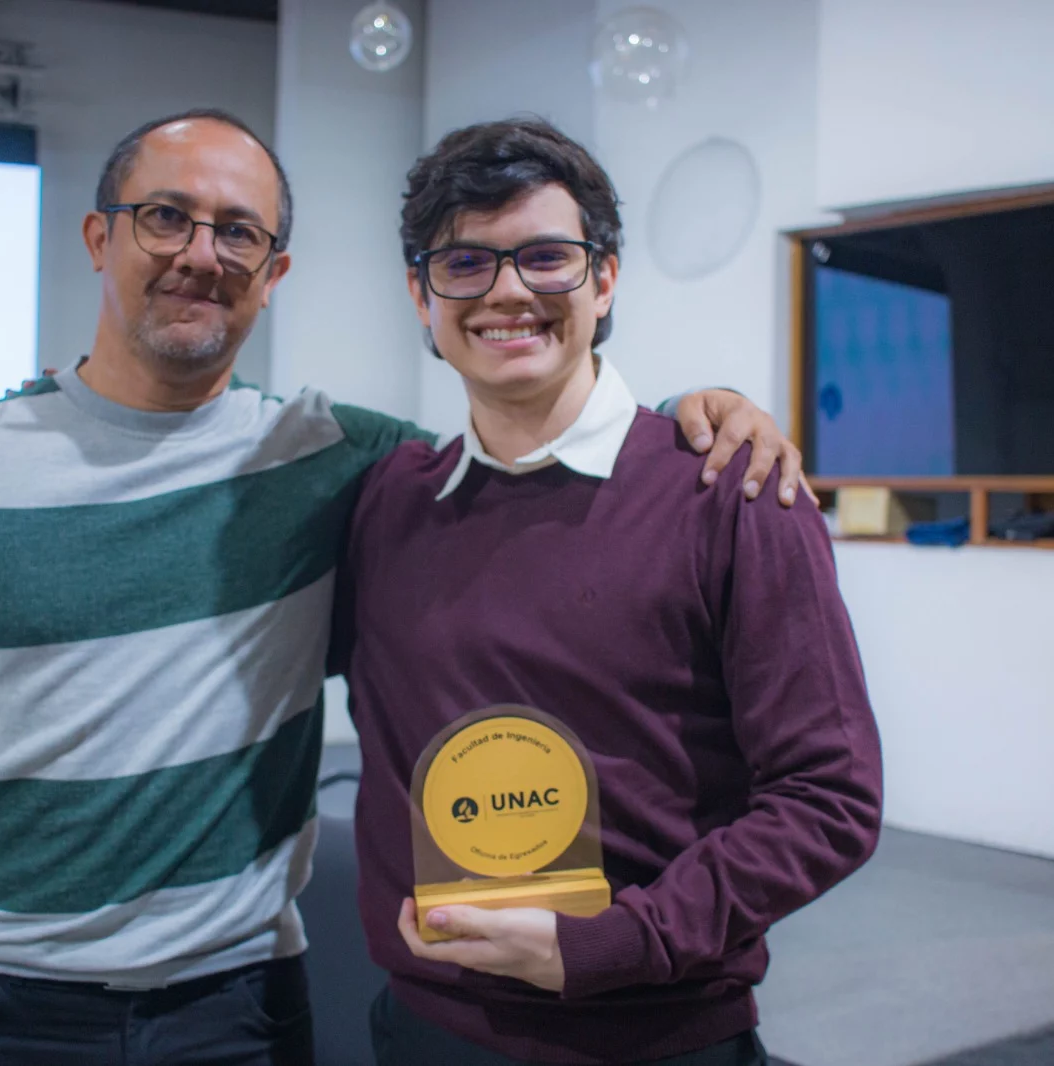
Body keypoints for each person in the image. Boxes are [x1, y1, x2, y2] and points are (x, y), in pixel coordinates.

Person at [0, 108, 804, 1066]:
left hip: (239, 1003)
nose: (201, 252)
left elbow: (527, 454)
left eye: (239, 232)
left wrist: (685, 421)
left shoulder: (333, 460)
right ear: (99, 237)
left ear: (273, 272)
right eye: (165, 217)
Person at [332, 119, 883, 1066]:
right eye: (465, 264)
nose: (508, 291)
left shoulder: (731, 490)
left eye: (547, 257)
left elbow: (829, 799)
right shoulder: (387, 500)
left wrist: (612, 942)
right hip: (424, 1031)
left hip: (653, 1037)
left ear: (606, 278)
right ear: (421, 298)